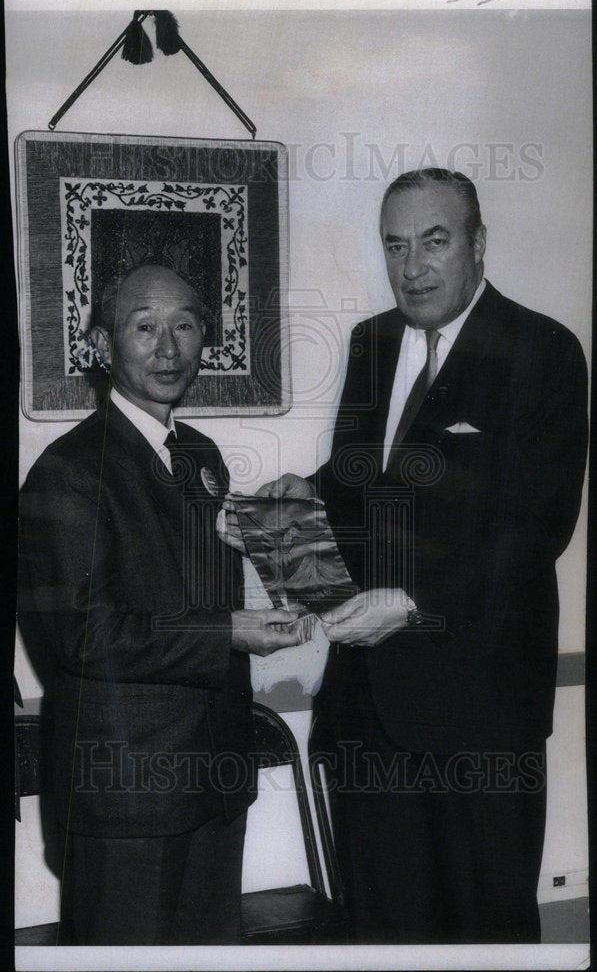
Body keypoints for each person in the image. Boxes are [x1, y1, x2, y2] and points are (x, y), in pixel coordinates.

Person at [219, 169, 588, 943]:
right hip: (366, 714)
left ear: (477, 245)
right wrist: (299, 499)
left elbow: (535, 525)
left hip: (481, 713)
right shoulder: (371, 341)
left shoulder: (543, 350)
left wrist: (416, 601)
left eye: (433, 241)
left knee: (485, 933)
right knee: (385, 933)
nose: (411, 265)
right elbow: (366, 484)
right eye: (395, 245)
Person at [18, 263, 300, 945]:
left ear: (207, 337)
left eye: (184, 324)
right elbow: (87, 636)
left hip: (215, 785)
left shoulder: (199, 456)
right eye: (144, 327)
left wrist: (283, 554)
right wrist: (231, 629)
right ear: (103, 345)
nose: (167, 348)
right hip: (127, 799)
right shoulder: (67, 471)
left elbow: (180, 593)